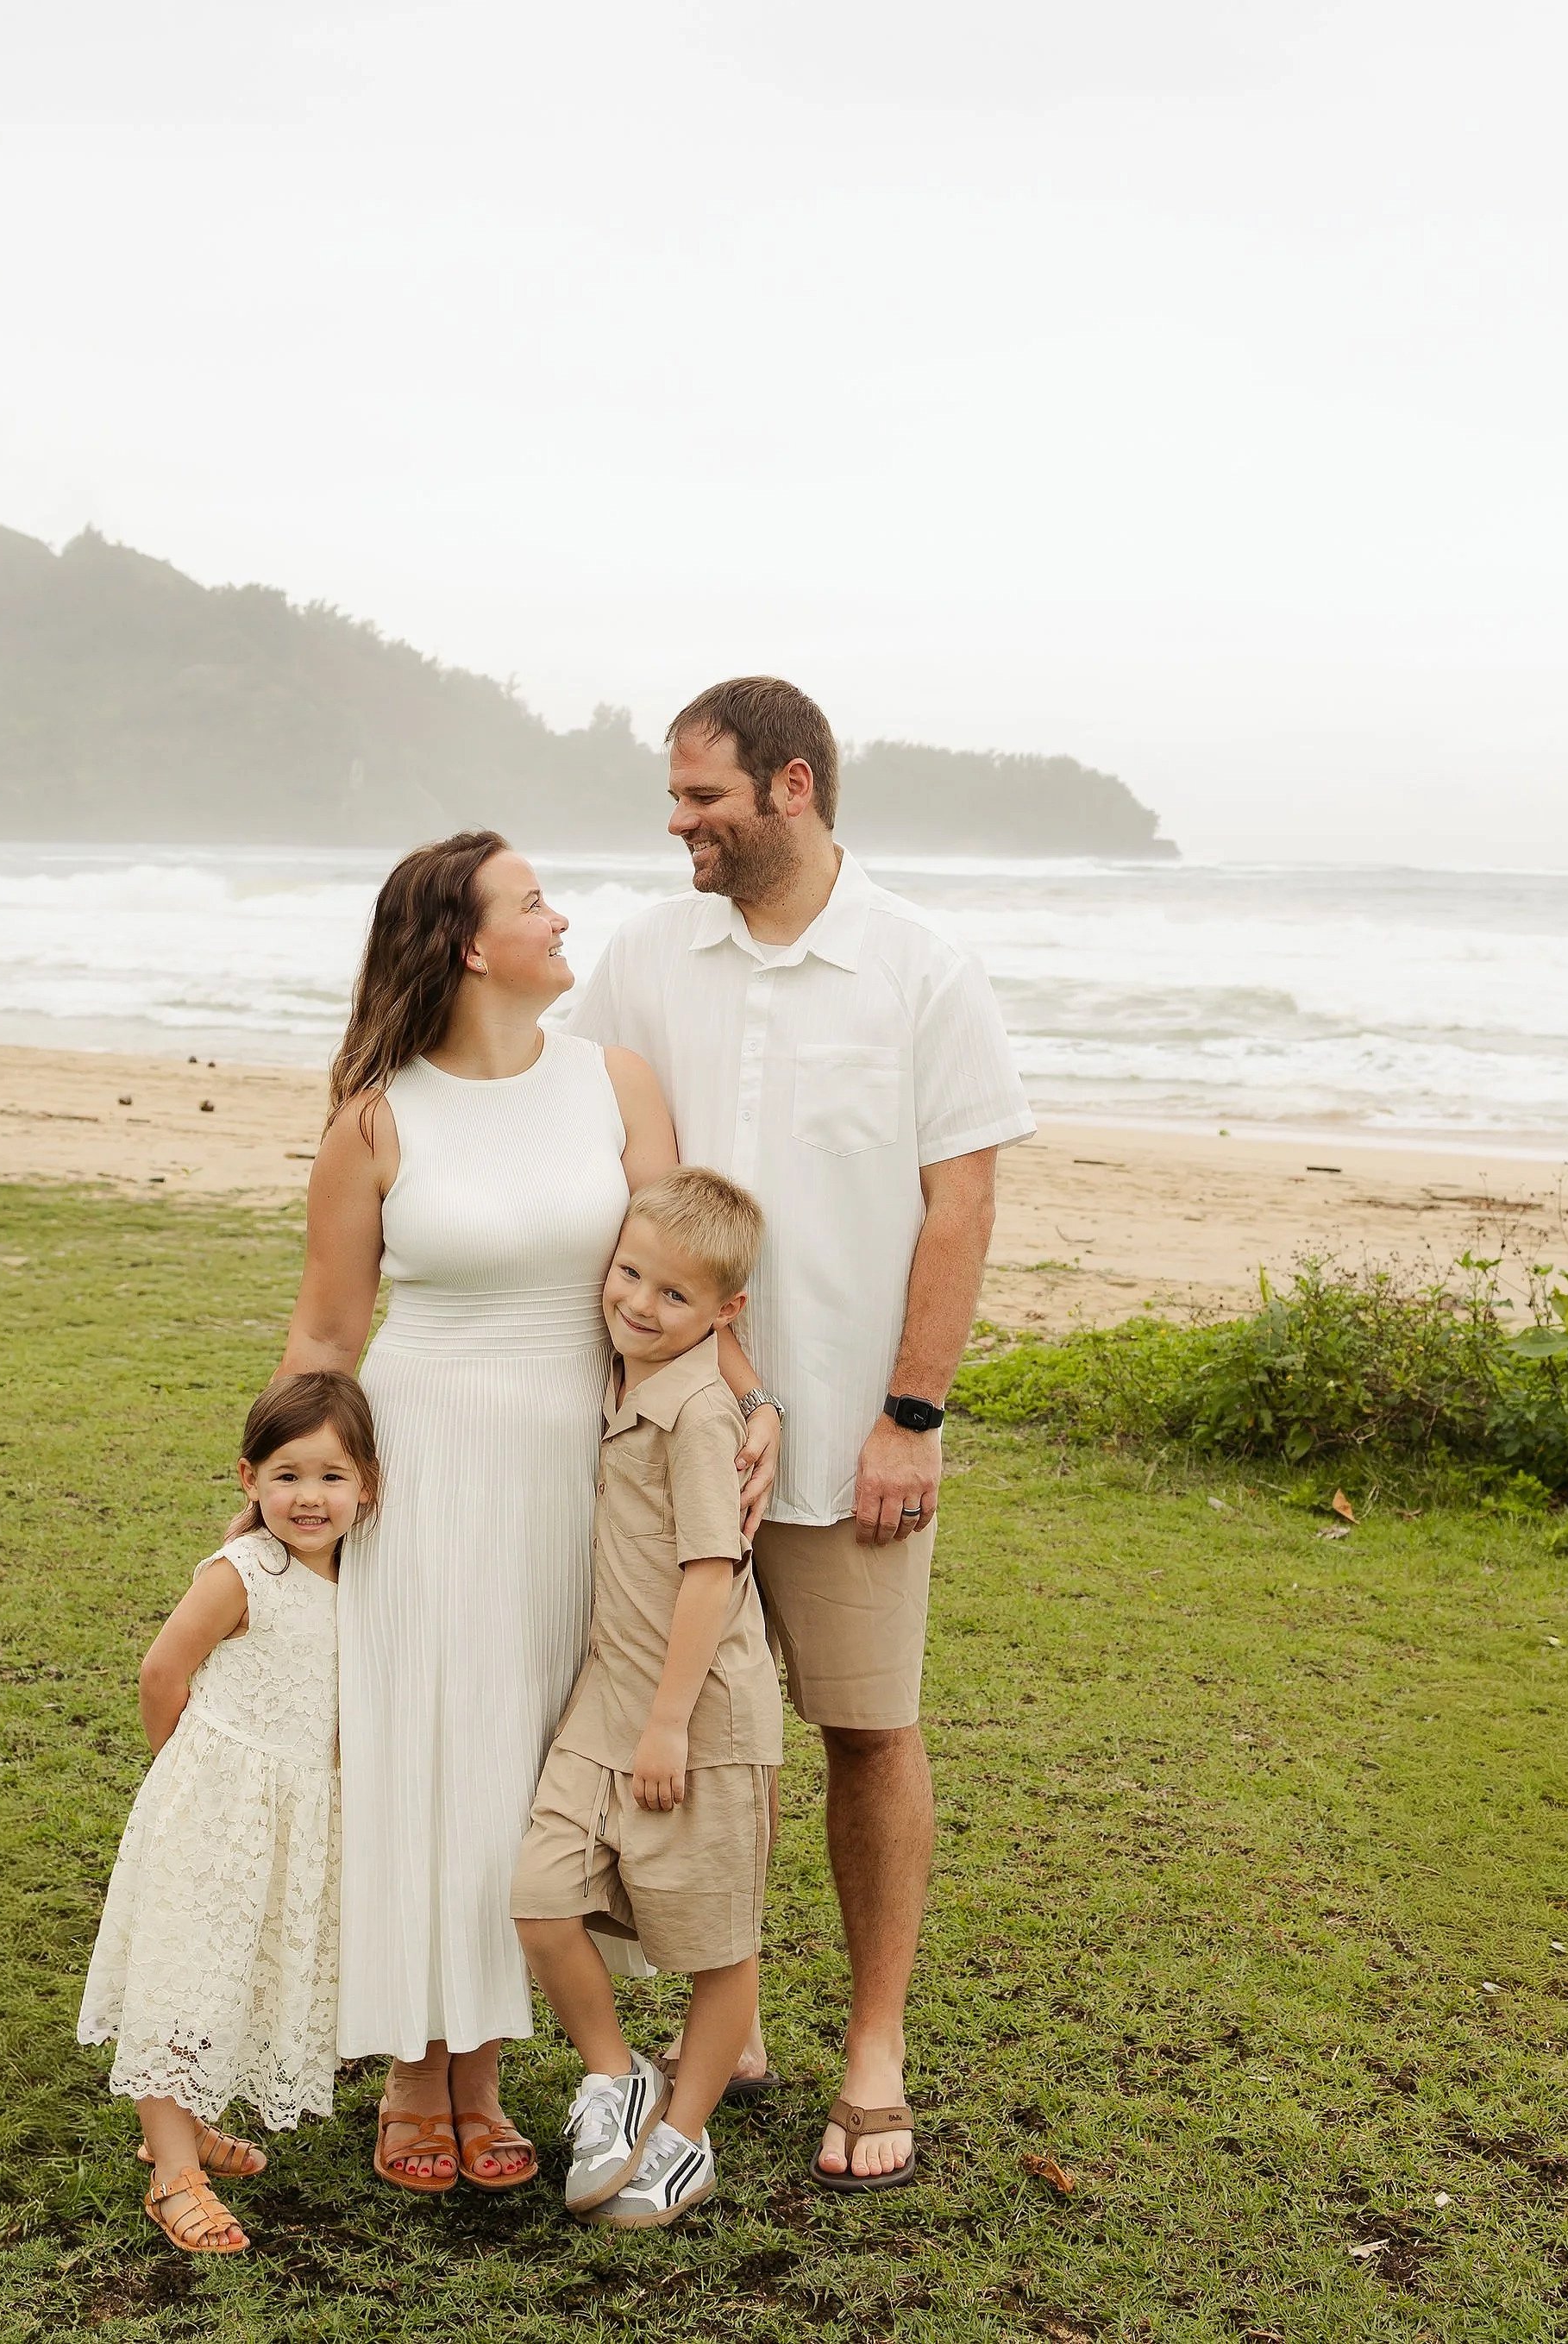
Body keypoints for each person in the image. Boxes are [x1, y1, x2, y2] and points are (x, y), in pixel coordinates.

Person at [567, 676, 1034, 2190]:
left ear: (789, 786)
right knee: (706, 1731)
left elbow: (959, 1204)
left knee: (867, 1728)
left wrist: (910, 1414)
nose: (679, 825)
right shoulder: (645, 956)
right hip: (678, 1439)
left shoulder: (921, 966)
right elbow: (568, 1120)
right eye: (674, 800)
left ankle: (877, 2041)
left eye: (703, 798)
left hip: (851, 1439)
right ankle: (732, 2017)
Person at [271, 830, 783, 2194]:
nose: (563, 919)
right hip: (424, 1461)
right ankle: (409, 2068)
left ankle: (487, 2068)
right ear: (465, 943)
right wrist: (279, 1506)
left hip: (582, 1470)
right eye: (534, 901)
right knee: (424, 1750)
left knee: (525, 1756)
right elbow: (324, 1336)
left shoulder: (615, 1083)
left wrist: (754, 1399)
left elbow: (681, 1263)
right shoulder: (377, 1119)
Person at [512, 1168, 783, 2229]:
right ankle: (617, 2077)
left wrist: (668, 1723)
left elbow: (711, 1573)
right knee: (540, 1897)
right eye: (628, 1274)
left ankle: (680, 2140)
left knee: (717, 1942)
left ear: (725, 1315)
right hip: (603, 1699)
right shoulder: (620, 1373)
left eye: (672, 1296)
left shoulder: (699, 1413)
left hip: (699, 1716)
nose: (637, 1303)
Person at [78, 1369, 378, 2256]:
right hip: (215, 1802)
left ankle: (187, 2123)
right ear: (248, 1480)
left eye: (331, 1476)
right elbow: (161, 1673)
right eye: (287, 1475)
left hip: (298, 1810)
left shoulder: (368, 1578)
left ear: (367, 1484)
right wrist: (189, 1775)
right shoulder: (243, 1571)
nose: (309, 1497)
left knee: (241, 1970)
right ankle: (174, 2176)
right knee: (185, 1971)